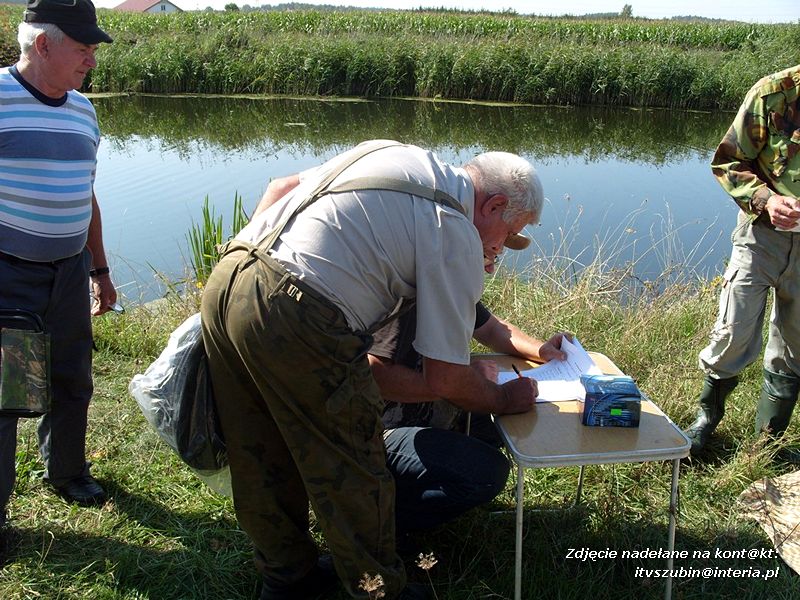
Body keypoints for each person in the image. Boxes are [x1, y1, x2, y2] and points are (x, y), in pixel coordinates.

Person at [200, 140, 544, 600]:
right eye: (508, 233)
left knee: (258, 448)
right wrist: (504, 399)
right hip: (302, 310)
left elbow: (281, 186)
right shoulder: (455, 227)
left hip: (231, 275)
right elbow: (445, 380)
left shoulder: (393, 154)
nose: (499, 248)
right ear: (495, 205)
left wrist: (262, 278)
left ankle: (288, 579)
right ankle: (378, 590)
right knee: (352, 460)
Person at [0, 0, 116, 541]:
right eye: (83, 47)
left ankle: (67, 472)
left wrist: (100, 268)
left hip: (69, 273)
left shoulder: (83, 111)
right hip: (9, 276)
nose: (91, 59)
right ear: (43, 43)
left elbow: (85, 194)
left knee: (74, 378)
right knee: (9, 393)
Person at [370, 299, 569, 537]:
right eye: (488, 258)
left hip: (428, 414)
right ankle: (380, 529)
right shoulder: (410, 297)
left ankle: (422, 496)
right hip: (377, 433)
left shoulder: (452, 285)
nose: (491, 268)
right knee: (487, 473)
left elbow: (493, 329)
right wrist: (461, 383)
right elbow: (376, 373)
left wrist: (540, 350)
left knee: (495, 424)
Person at [684, 64, 800, 459]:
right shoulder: (773, 93)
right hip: (761, 234)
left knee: (795, 345)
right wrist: (768, 200)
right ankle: (705, 421)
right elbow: (728, 161)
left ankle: (769, 444)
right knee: (733, 329)